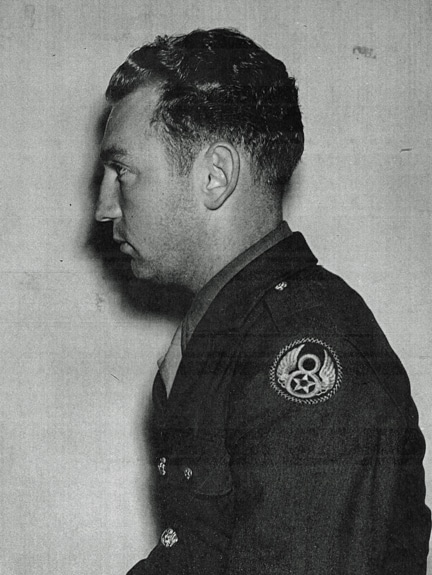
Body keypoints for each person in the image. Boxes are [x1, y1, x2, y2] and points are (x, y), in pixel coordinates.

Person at [95, 28, 430, 575]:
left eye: (122, 171)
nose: (104, 206)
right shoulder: (236, 334)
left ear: (216, 176)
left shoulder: (302, 347)